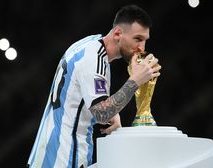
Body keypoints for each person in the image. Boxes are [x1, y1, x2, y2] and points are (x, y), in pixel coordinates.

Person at [27, 4, 161, 168]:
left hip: (47, 154)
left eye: (145, 40)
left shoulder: (89, 44)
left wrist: (113, 111)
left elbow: (77, 98)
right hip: (64, 159)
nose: (142, 48)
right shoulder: (94, 60)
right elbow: (102, 113)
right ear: (118, 33)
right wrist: (135, 81)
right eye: (138, 39)